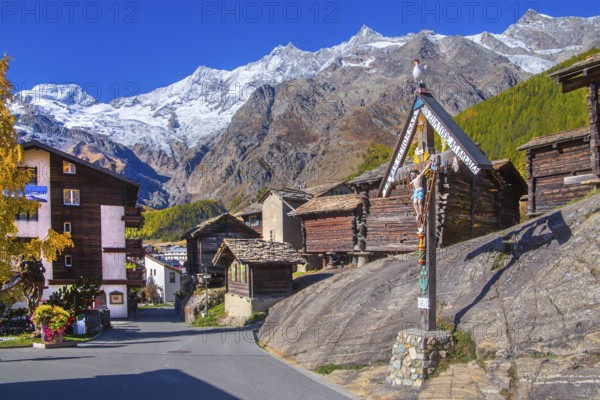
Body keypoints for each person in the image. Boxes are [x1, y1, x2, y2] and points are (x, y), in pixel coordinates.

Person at [409, 160, 432, 232]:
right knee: (414, 202)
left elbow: (425, 169)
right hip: (416, 191)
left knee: (420, 202)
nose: (412, 175)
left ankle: (421, 213)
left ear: (415, 174)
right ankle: (418, 214)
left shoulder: (419, 177)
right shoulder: (412, 180)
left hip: (420, 190)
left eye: (413, 174)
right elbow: (410, 181)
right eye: (411, 175)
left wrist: (430, 163)